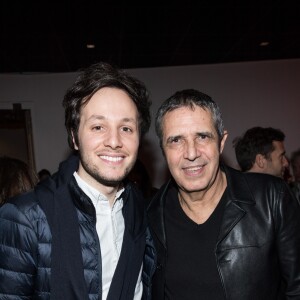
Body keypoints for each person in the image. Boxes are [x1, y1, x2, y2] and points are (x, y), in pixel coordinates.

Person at [0, 62, 153, 299]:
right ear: (74, 137)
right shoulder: (24, 219)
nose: (114, 141)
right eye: (98, 126)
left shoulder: (139, 210)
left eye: (126, 128)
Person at [147, 89, 300, 299]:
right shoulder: (149, 215)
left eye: (202, 136)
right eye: (176, 140)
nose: (191, 153)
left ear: (221, 142)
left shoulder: (272, 198)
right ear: (163, 150)